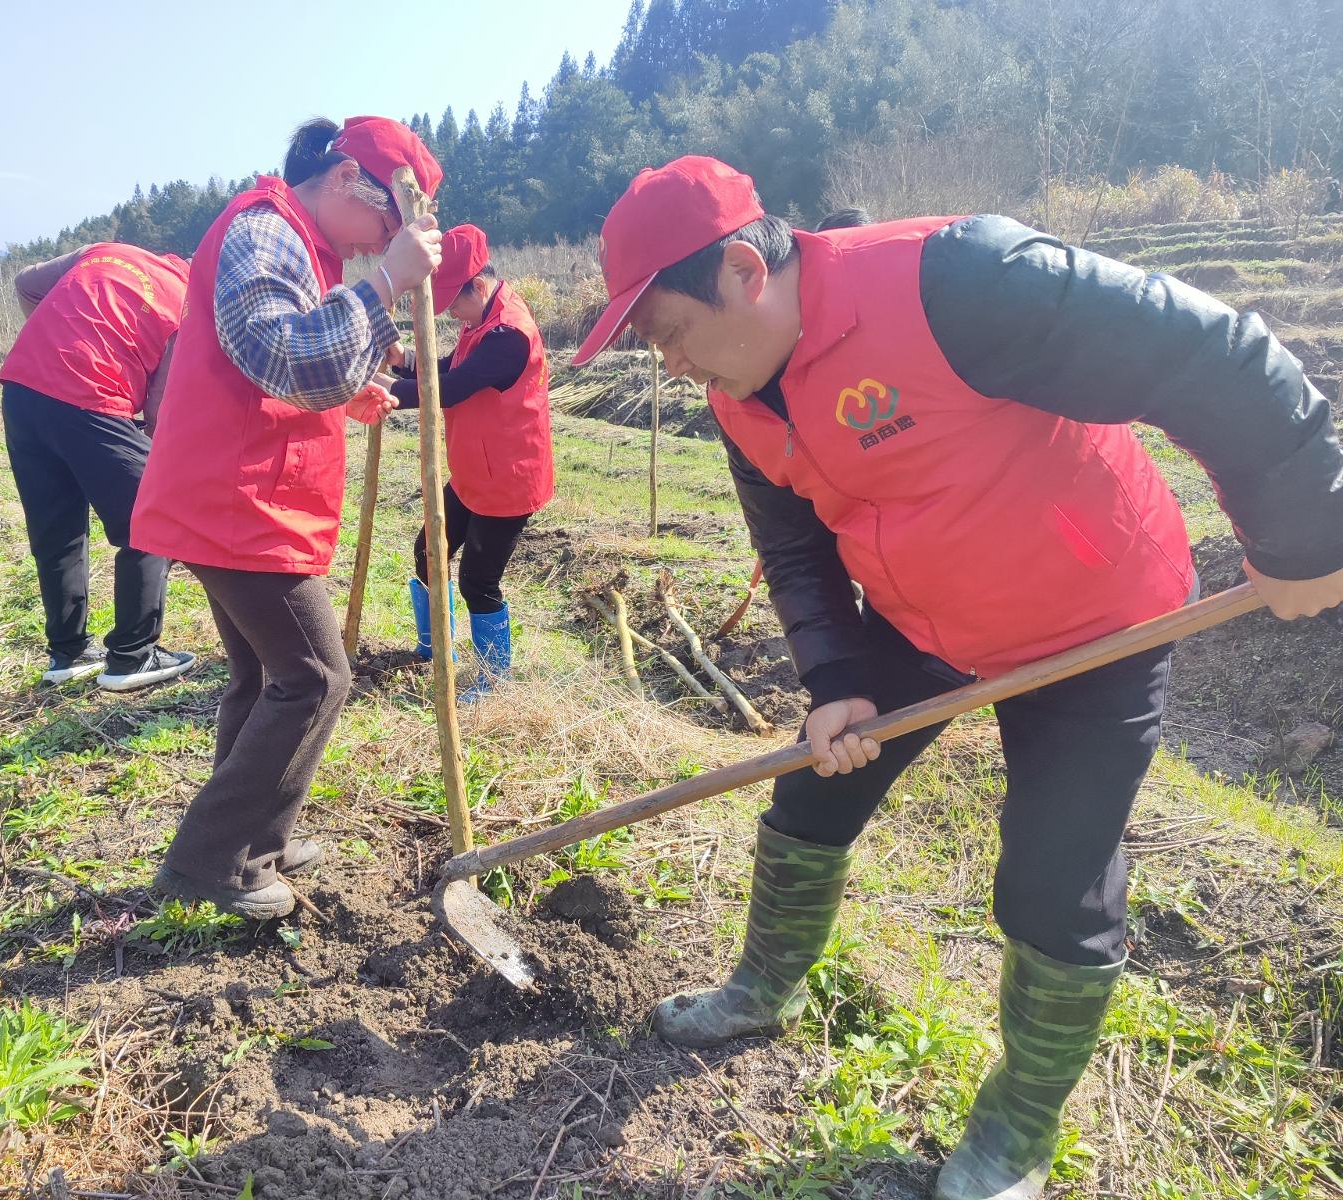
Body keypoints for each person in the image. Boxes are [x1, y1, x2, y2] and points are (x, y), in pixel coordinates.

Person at [572, 156, 1343, 1199]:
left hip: (1092, 621)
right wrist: (835, 675)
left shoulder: (955, 281)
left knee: (1048, 885)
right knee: (811, 791)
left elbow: (1206, 351)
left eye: (668, 335)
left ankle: (1014, 1138)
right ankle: (763, 987)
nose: (669, 367)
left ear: (744, 271)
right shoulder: (743, 391)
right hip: (922, 615)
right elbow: (792, 543)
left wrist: (1301, 529)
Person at [130, 116, 442, 920]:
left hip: (237, 496)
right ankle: (209, 863)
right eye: (386, 219)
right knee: (314, 678)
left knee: (263, 676)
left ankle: (254, 836)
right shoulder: (264, 231)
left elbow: (295, 373)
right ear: (346, 179)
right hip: (236, 500)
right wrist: (386, 286)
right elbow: (284, 356)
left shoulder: (303, 243)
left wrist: (354, 385)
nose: (383, 240)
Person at [0, 241, 196, 691]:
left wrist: (65, 341)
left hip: (23, 390)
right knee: (153, 518)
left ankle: (67, 653)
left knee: (57, 529)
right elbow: (161, 404)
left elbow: (26, 284)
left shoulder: (103, 252)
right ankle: (132, 656)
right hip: (92, 397)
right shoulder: (191, 305)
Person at [383, 223, 553, 699]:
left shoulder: (509, 336)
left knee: (479, 580)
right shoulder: (480, 321)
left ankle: (494, 680)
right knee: (428, 552)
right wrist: (403, 362)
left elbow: (453, 387)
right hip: (475, 470)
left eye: (452, 303)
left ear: (477, 286)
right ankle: (434, 646)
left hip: (509, 479)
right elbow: (449, 367)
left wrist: (382, 392)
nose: (450, 314)